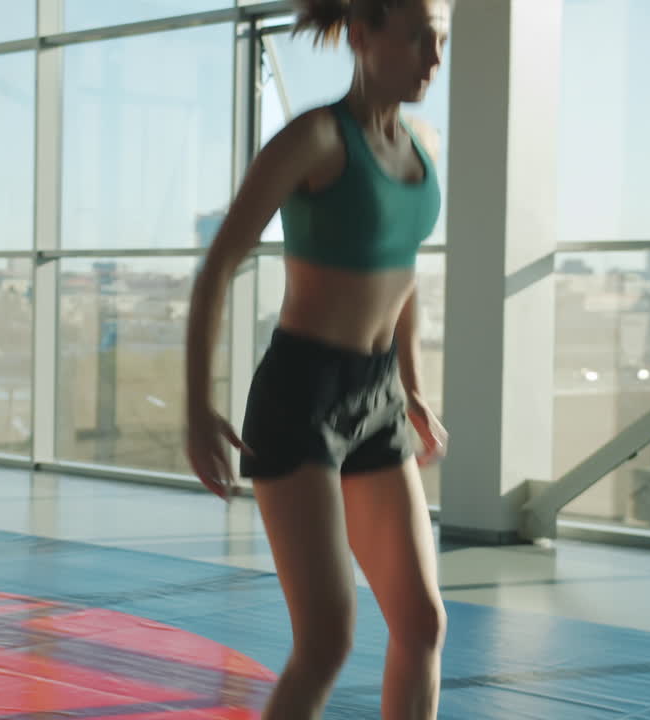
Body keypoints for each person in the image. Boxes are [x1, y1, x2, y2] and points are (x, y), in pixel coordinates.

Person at [184, 0, 450, 717]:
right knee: (327, 641)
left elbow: (404, 273)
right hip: (301, 400)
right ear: (363, 38)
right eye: (422, 37)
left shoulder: (421, 143)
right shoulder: (315, 139)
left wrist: (413, 386)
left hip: (378, 397)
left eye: (443, 39)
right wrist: (194, 407)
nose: (435, 56)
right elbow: (219, 265)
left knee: (422, 625)